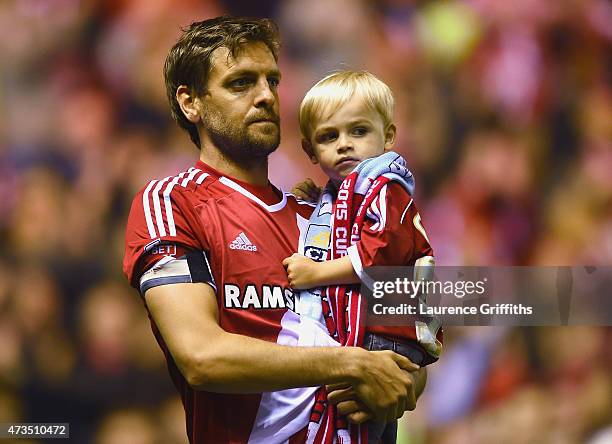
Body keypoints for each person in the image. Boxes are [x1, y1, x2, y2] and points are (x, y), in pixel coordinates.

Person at [123, 17, 422, 444]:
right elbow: (201, 356)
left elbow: (410, 342)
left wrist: (401, 381)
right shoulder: (172, 203)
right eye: (241, 83)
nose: (266, 95)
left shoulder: (333, 213)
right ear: (191, 102)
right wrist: (351, 365)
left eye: (272, 81)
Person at [283, 71, 443, 443]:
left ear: (387, 136)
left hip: (384, 335)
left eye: (358, 132)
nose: (344, 145)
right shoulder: (347, 192)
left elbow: (377, 256)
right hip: (371, 333)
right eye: (328, 136)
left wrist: (316, 273)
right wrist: (318, 201)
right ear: (309, 151)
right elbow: (341, 228)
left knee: (357, 426)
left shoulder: (386, 188)